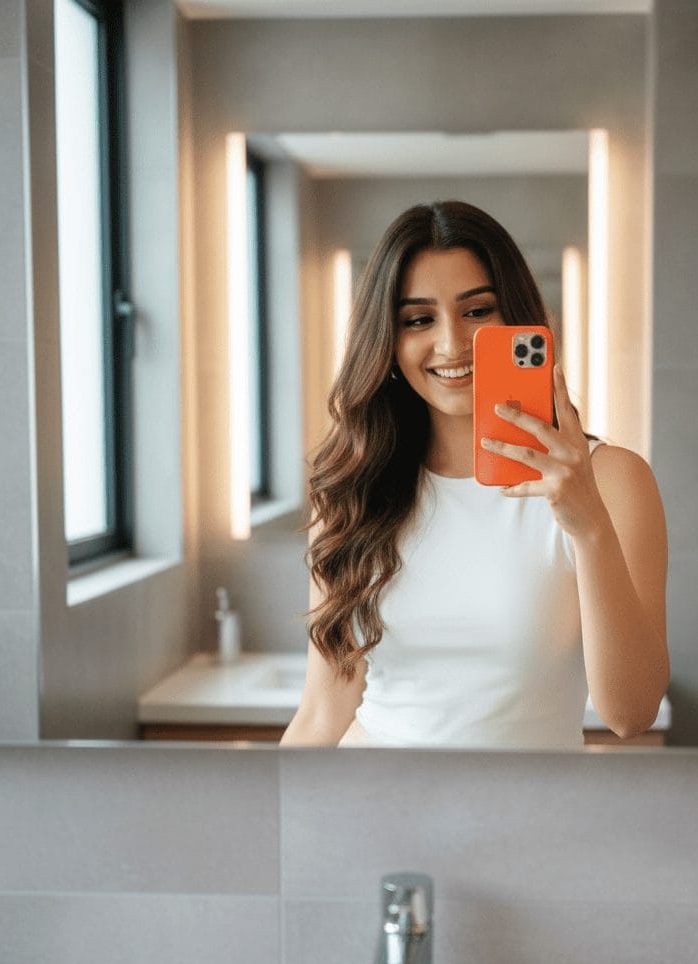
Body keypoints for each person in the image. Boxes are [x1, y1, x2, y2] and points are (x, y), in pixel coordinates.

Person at [280, 200, 669, 749]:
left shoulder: (613, 480)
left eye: (477, 311)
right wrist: (268, 830)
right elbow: (322, 716)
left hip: (532, 827)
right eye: (418, 319)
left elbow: (631, 713)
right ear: (388, 343)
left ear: (517, 319)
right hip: (370, 818)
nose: (451, 344)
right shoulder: (357, 492)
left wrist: (589, 528)